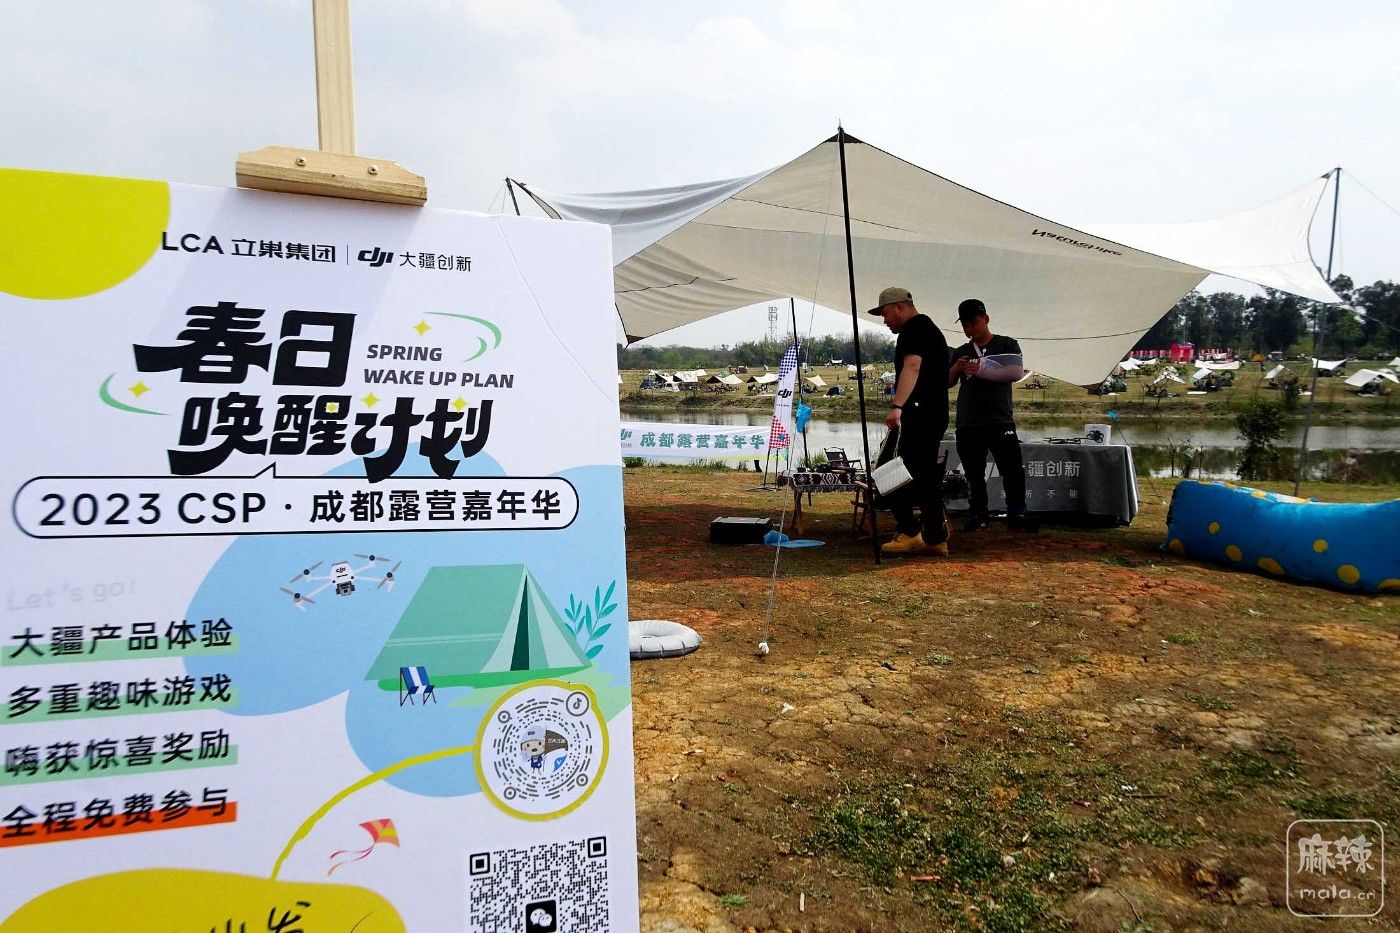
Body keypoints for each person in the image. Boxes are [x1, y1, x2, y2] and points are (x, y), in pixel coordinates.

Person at [868, 287, 950, 556]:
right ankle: (935, 536)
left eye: (885, 313)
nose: (884, 320)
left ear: (899, 307)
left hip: (917, 412)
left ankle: (910, 530)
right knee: (925, 476)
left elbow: (912, 366)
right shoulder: (929, 329)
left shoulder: (914, 329)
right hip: (932, 412)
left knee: (887, 470)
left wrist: (897, 406)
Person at [948, 298, 1037, 532]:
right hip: (969, 422)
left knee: (1012, 470)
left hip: (1000, 420)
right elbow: (947, 382)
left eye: (974, 322)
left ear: (986, 319)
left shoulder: (1007, 344)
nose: (969, 329)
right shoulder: (961, 351)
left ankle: (1017, 514)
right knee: (974, 473)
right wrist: (957, 368)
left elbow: (1015, 372)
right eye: (965, 325)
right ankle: (979, 515)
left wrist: (981, 369)